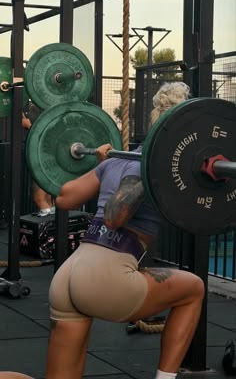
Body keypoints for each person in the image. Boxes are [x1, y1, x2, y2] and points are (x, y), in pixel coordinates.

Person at [0, 82, 204, 379]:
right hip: (106, 277)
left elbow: (65, 197)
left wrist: (101, 165)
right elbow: (114, 216)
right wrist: (151, 174)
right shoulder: (152, 165)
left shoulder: (120, 158)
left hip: (69, 274)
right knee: (193, 290)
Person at [22, 111, 55, 217]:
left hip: (42, 163)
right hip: (47, 163)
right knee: (47, 199)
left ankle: (46, 222)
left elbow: (43, 138)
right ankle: (52, 225)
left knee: (39, 199)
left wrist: (29, 126)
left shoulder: (47, 119)